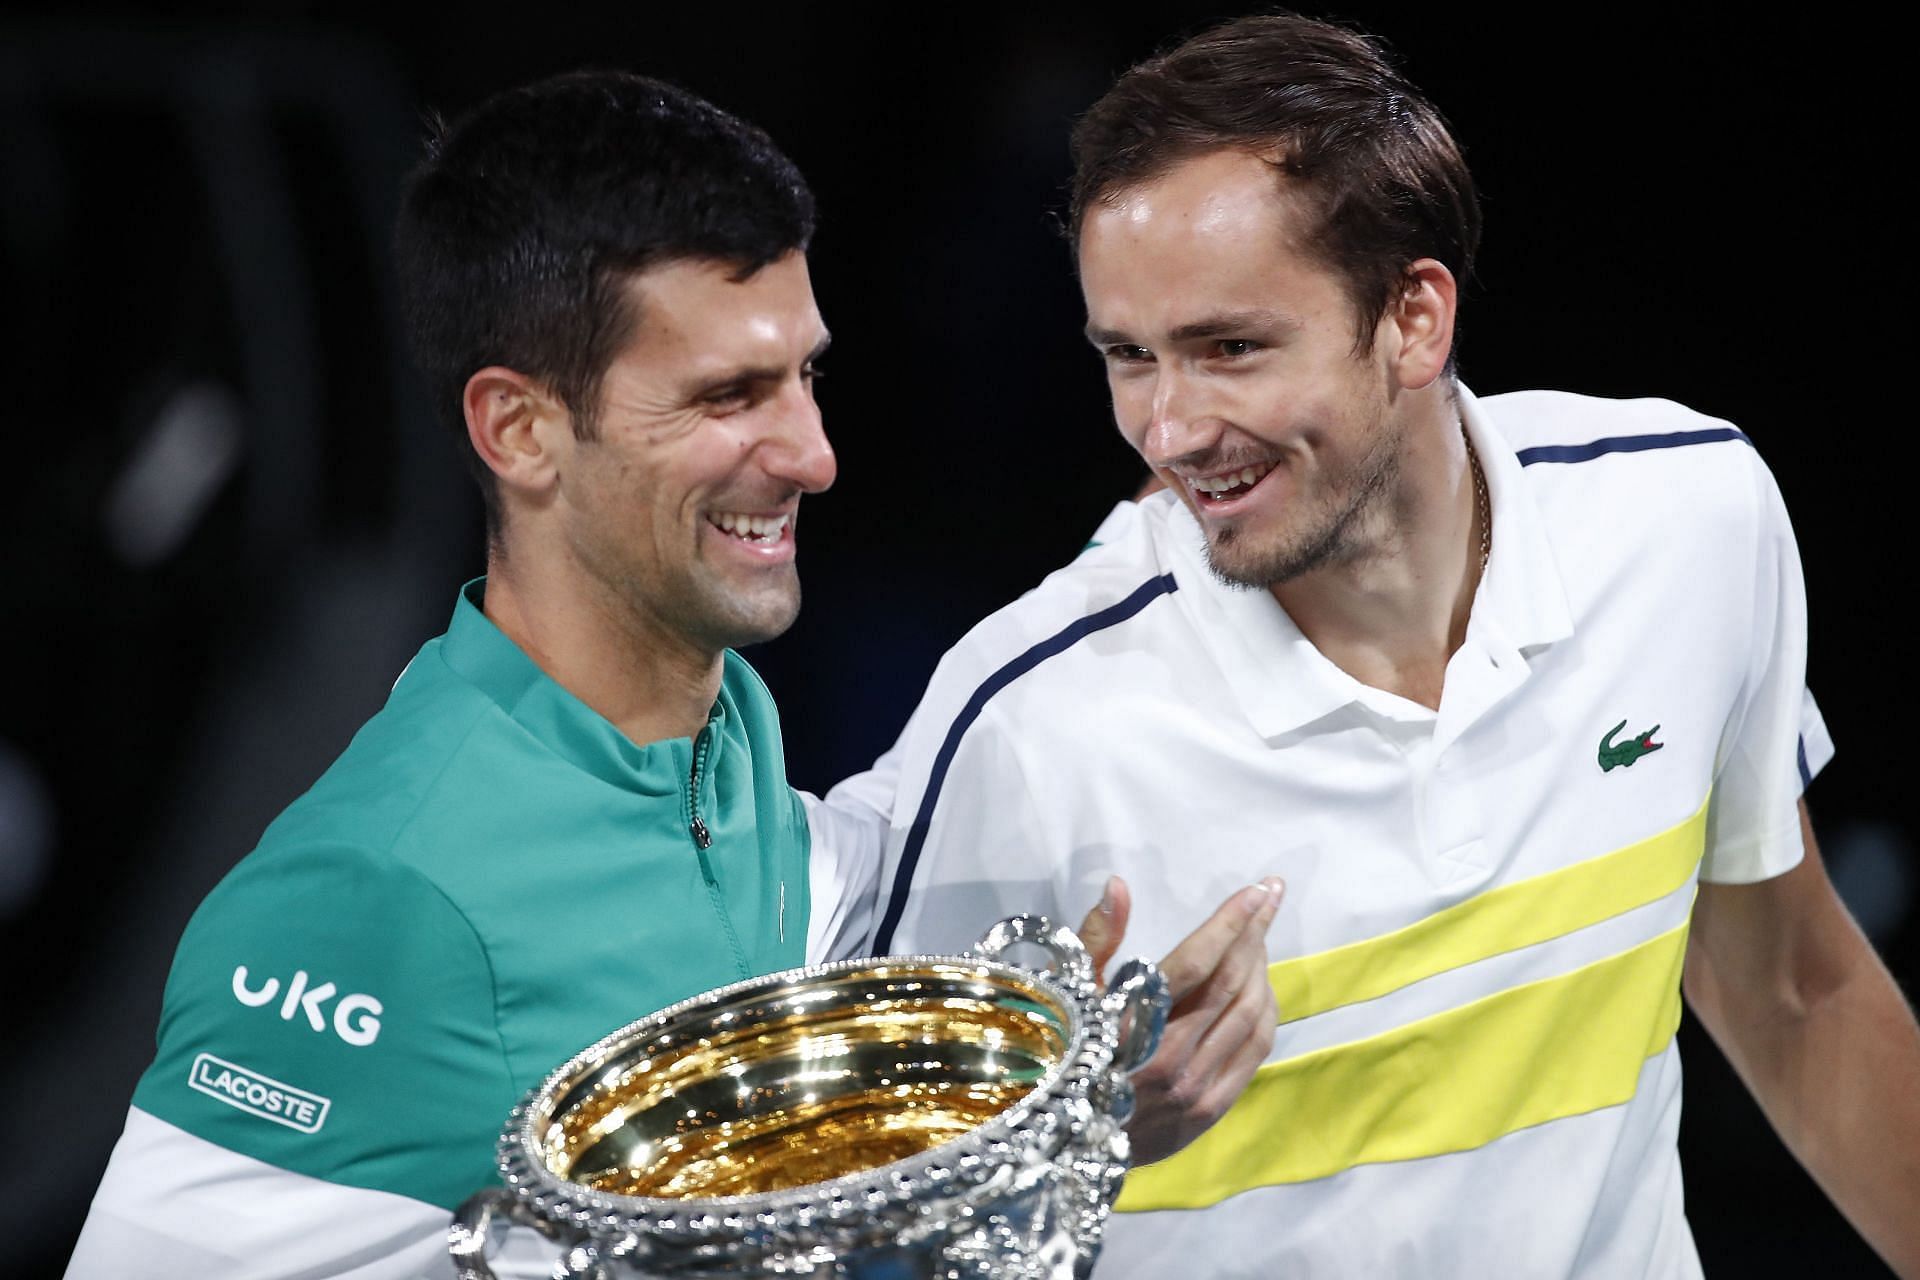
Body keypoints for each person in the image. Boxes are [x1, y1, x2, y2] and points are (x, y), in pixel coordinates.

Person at [67, 69, 1274, 1278]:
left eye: (804, 374)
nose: (812, 453)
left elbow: (880, 863)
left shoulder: (721, 754)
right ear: (520, 429)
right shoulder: (381, 898)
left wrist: (1084, 1108)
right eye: (726, 396)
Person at [862, 14, 1920, 1278]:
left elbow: (1795, 990)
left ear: (1414, 320)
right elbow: (858, 1196)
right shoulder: (1023, 716)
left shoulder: (1692, 517)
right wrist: (1073, 1126)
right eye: (1130, 358)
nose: (1171, 428)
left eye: (1231, 348)